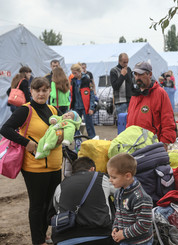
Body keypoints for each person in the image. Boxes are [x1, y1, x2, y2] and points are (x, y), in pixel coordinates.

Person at [0, 77, 62, 245]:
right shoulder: (25, 110)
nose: (41, 93)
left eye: (44, 90)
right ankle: (37, 240)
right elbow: (5, 129)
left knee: (50, 205)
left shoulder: (54, 110)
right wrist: (26, 142)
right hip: (34, 167)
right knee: (37, 205)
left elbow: (65, 127)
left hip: (55, 166)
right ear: (31, 92)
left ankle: (44, 235)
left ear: (50, 91)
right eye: (37, 90)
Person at [49, 157, 117, 245]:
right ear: (92, 169)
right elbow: (121, 191)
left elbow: (55, 210)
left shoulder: (60, 186)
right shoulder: (101, 177)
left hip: (64, 239)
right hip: (100, 235)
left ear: (73, 172)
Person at [126, 61, 176, 148]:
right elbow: (129, 123)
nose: (138, 77)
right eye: (136, 74)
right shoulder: (135, 95)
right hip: (133, 146)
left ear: (150, 74)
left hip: (152, 148)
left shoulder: (160, 93)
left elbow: (168, 122)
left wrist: (164, 144)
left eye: (141, 74)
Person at [107, 153, 153, 245]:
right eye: (109, 176)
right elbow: (118, 213)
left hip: (140, 242)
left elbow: (144, 224)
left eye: (114, 177)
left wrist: (123, 234)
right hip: (126, 239)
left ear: (127, 176)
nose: (110, 180)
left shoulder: (140, 197)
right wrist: (116, 227)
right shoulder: (118, 193)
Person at [69, 63, 96, 139]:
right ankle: (77, 140)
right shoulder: (73, 81)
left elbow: (91, 94)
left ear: (80, 71)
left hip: (86, 106)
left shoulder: (87, 80)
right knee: (76, 124)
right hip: (76, 107)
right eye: (72, 73)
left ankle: (92, 139)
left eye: (75, 73)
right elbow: (71, 93)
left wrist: (91, 107)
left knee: (89, 124)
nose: (74, 75)